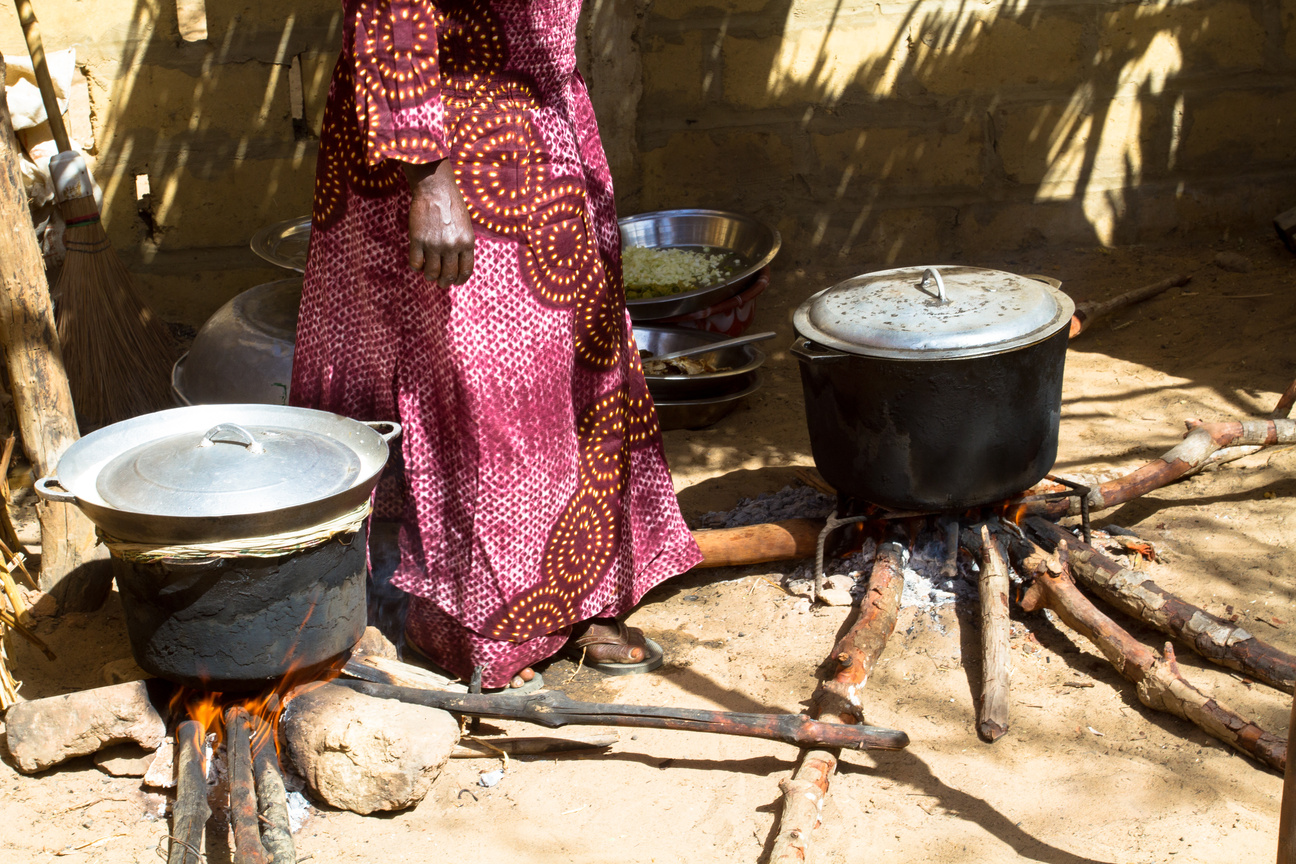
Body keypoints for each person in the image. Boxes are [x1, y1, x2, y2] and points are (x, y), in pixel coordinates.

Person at [290, 0, 701, 689]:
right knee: (487, 388)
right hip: (455, 140)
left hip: (543, 119)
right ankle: (476, 623)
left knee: (577, 362)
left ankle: (576, 596)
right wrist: (427, 175)